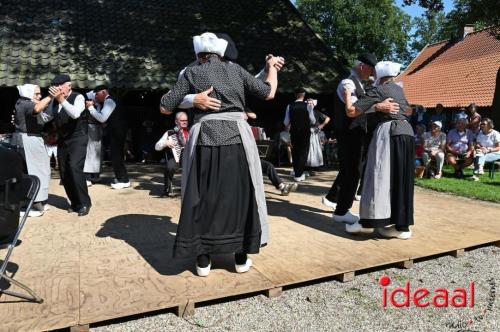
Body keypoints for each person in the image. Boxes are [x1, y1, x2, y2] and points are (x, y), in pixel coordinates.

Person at [159, 32, 279, 277]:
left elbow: (164, 105)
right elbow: (268, 92)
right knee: (239, 196)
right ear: (221, 53)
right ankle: (240, 258)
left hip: (205, 138)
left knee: (201, 196)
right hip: (237, 138)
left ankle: (203, 261)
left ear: (198, 55)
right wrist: (272, 68)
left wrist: (191, 100)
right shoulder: (235, 70)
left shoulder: (191, 72)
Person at [344, 61, 415, 240]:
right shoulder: (400, 90)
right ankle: (402, 227)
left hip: (389, 133)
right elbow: (408, 111)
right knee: (402, 178)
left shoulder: (378, 90)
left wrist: (348, 95)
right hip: (407, 133)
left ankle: (367, 223)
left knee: (378, 174)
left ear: (378, 76)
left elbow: (351, 111)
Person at [325, 53, 384, 221]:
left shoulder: (357, 84)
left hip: (353, 133)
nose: (372, 74)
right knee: (352, 171)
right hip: (349, 133)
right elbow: (354, 110)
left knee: (351, 170)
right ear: (362, 67)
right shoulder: (348, 83)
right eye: (371, 70)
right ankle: (341, 211)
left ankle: (339, 206)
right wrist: (378, 107)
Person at [39, 74, 91, 216]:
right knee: (64, 171)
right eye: (56, 86)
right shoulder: (54, 101)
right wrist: (37, 105)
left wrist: (61, 100)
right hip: (63, 139)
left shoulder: (78, 97)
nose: (57, 88)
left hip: (78, 138)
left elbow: (75, 114)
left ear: (68, 85)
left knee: (75, 168)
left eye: (60, 85)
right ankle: (75, 203)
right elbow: (45, 117)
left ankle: (85, 203)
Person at [11, 84, 52, 216]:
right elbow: (38, 107)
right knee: (35, 170)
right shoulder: (25, 103)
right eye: (36, 94)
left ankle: (38, 202)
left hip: (32, 139)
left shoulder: (23, 103)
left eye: (40, 93)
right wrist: (52, 96)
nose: (39, 96)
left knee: (41, 170)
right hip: (28, 140)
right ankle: (34, 205)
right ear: (28, 94)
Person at [86, 85, 130, 189]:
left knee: (116, 155)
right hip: (116, 131)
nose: (96, 97)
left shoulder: (109, 101)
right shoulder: (108, 101)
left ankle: (123, 179)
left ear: (103, 92)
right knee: (116, 155)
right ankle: (121, 178)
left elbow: (102, 118)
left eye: (97, 94)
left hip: (117, 131)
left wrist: (91, 108)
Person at [245, 112, 297, 196]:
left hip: (251, 157)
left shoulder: (248, 128)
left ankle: (282, 187)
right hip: (240, 160)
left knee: (269, 166)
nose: (246, 119)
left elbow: (254, 115)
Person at [284, 89, 316, 181]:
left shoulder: (289, 106)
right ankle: (299, 174)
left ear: (295, 95)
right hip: (305, 131)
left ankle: (296, 171)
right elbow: (313, 120)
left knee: (295, 151)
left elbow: (286, 122)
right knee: (304, 151)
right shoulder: (308, 105)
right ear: (304, 95)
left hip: (294, 131)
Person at [155, 111, 189, 197]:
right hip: (176, 158)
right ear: (176, 121)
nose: (185, 122)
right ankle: (167, 189)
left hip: (189, 158)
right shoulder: (170, 133)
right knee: (169, 167)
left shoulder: (191, 131)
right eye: (182, 120)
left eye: (186, 120)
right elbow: (157, 147)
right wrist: (165, 143)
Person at [83, 91, 103, 186]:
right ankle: (86, 177)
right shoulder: (86, 107)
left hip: (97, 130)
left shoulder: (99, 105)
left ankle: (95, 176)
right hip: (89, 130)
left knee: (97, 153)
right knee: (89, 153)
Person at [306, 99, 328, 169]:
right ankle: (307, 165)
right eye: (308, 103)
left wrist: (322, 125)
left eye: (311, 103)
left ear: (313, 105)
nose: (309, 105)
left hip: (315, 132)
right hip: (306, 132)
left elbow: (327, 118)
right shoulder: (304, 112)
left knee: (316, 148)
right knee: (308, 148)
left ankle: (316, 166)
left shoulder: (316, 112)